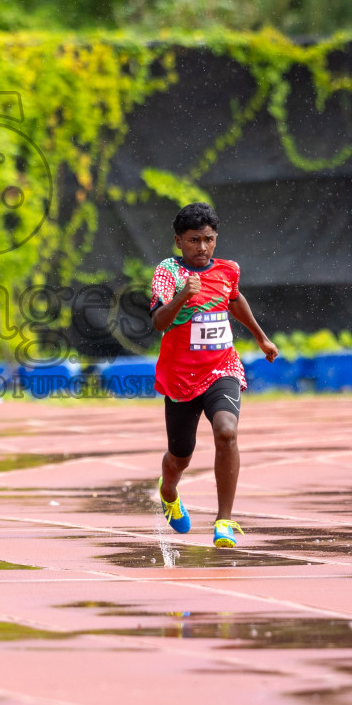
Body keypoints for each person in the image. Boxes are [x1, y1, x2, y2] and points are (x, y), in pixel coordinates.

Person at [151, 202, 279, 547]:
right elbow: (159, 321)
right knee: (180, 456)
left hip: (222, 367)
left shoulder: (228, 269)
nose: (202, 247)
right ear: (179, 241)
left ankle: (224, 521)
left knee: (226, 432)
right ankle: (168, 490)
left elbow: (234, 299)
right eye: (194, 240)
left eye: (209, 239)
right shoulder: (169, 273)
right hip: (180, 378)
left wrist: (260, 336)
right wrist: (182, 296)